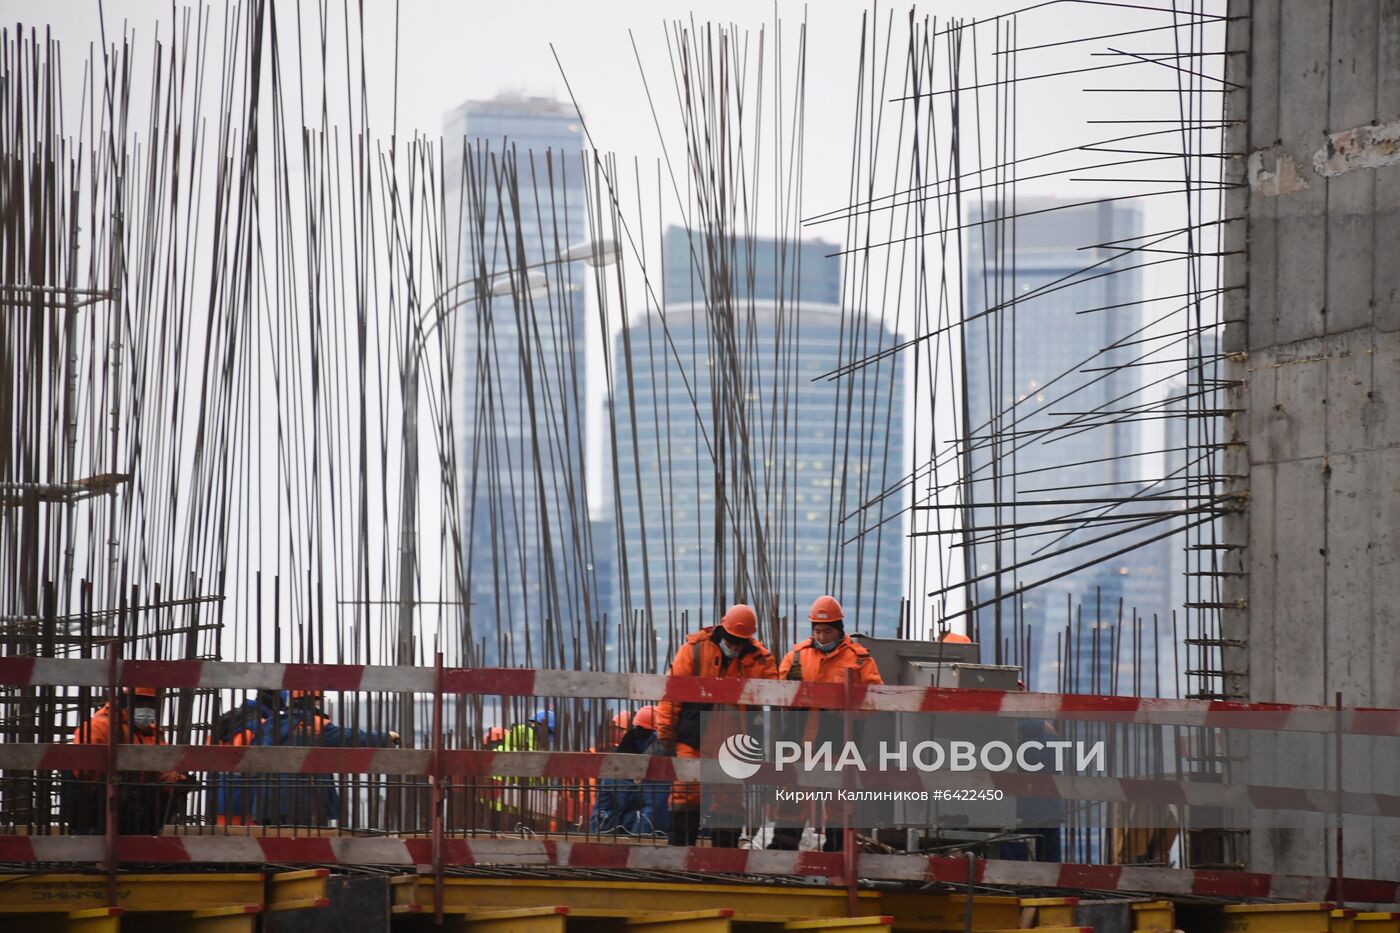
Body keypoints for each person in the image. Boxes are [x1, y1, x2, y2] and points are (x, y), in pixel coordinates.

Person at [656, 603, 778, 847]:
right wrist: (666, 737)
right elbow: (672, 696)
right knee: (686, 794)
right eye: (730, 641)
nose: (733, 647)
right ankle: (679, 856)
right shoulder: (695, 650)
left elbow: (777, 690)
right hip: (694, 735)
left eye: (739, 643)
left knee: (729, 799)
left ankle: (724, 861)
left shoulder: (758, 658)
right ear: (723, 632)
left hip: (733, 741)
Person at [768, 595, 883, 852]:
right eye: (817, 630)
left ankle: (837, 859)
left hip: (838, 742)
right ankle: (781, 857)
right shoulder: (796, 657)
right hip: (799, 740)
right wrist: (790, 688)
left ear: (839, 629)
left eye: (827, 631)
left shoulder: (860, 659)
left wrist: (845, 710)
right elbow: (776, 695)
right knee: (792, 800)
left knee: (839, 802)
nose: (821, 636)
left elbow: (875, 701)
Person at [254, 689, 400, 826]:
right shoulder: (316, 725)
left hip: (266, 803)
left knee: (274, 846)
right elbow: (351, 738)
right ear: (315, 701)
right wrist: (386, 737)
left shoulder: (271, 724)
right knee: (307, 848)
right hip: (303, 803)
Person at [65, 687, 193, 835]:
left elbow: (161, 769)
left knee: (162, 798)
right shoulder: (100, 726)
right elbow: (83, 768)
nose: (146, 711)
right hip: (100, 804)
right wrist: (115, 781)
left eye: (150, 706)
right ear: (126, 703)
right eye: (140, 705)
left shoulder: (151, 734)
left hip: (133, 804)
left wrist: (178, 782)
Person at [589, 706, 669, 837]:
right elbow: (625, 798)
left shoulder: (641, 751)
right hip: (607, 827)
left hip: (621, 824)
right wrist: (645, 786)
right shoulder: (621, 757)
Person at [209, 689, 284, 826]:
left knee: (221, 844)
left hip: (217, 800)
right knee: (249, 845)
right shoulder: (262, 726)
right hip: (248, 803)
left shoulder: (225, 721)